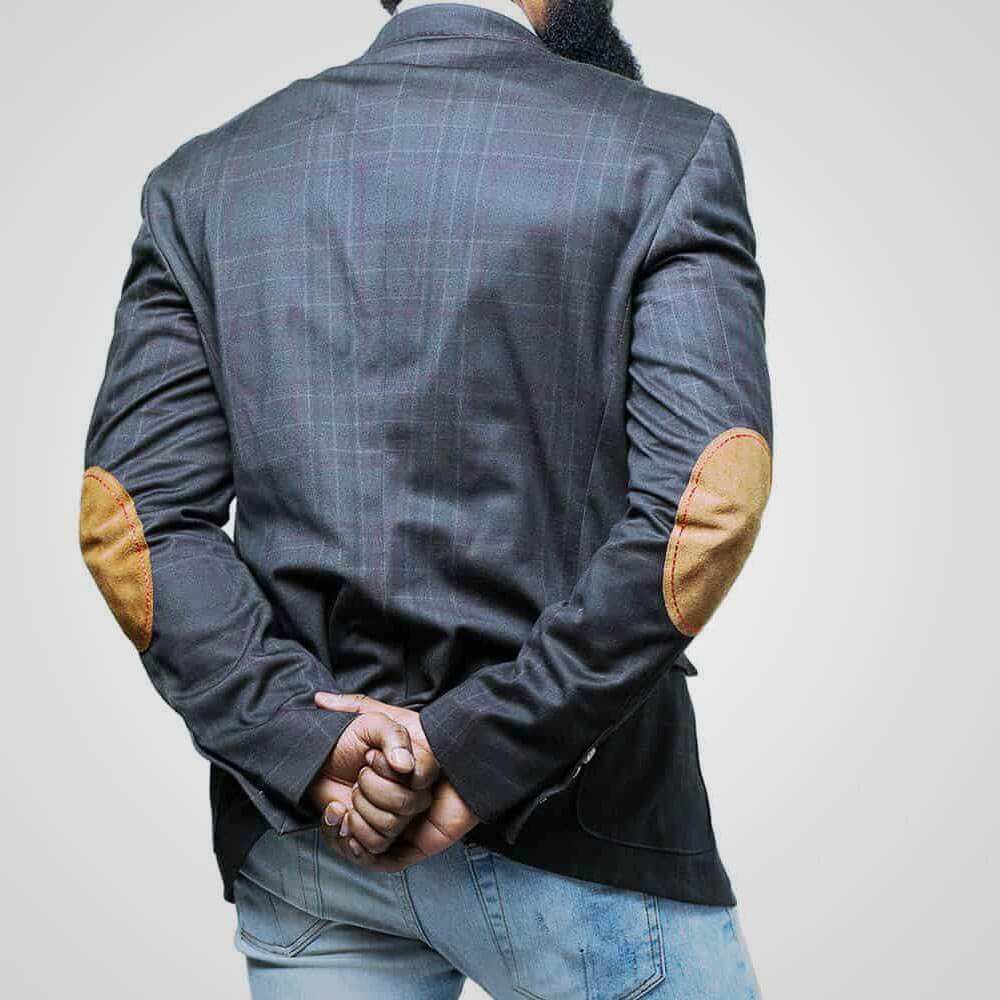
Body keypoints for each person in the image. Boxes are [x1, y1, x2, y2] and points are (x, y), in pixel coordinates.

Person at [78, 0, 772, 995]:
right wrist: (476, 747)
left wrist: (306, 742)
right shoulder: (661, 150)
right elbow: (704, 505)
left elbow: (132, 519)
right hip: (579, 831)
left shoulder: (206, 180)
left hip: (314, 838)